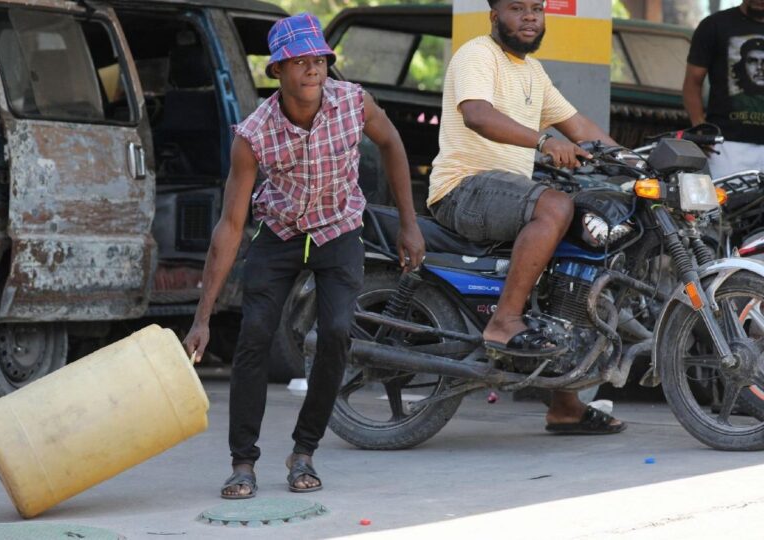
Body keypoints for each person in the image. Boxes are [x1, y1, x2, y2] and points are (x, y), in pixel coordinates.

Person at [182, 13, 425, 499]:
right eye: (299, 62)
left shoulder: (353, 102)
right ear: (277, 71)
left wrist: (408, 222)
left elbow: (393, 143)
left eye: (318, 59)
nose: (312, 70)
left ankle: (304, 451)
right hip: (280, 232)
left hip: (338, 230)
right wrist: (202, 317)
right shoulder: (254, 135)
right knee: (253, 336)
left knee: (336, 332)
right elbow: (231, 226)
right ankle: (243, 462)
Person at [427, 0, 624, 435]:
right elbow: (477, 114)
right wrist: (542, 142)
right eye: (518, 8)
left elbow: (578, 124)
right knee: (556, 205)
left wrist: (635, 165)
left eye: (537, 7)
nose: (531, 17)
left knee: (574, 261)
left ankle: (565, 404)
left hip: (506, 194)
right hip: (464, 188)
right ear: (494, 15)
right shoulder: (478, 54)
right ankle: (503, 322)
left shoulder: (532, 72)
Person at [684, 0, 764, 178]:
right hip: (726, 146)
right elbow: (693, 83)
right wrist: (700, 128)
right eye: (753, 61)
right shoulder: (715, 25)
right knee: (724, 205)